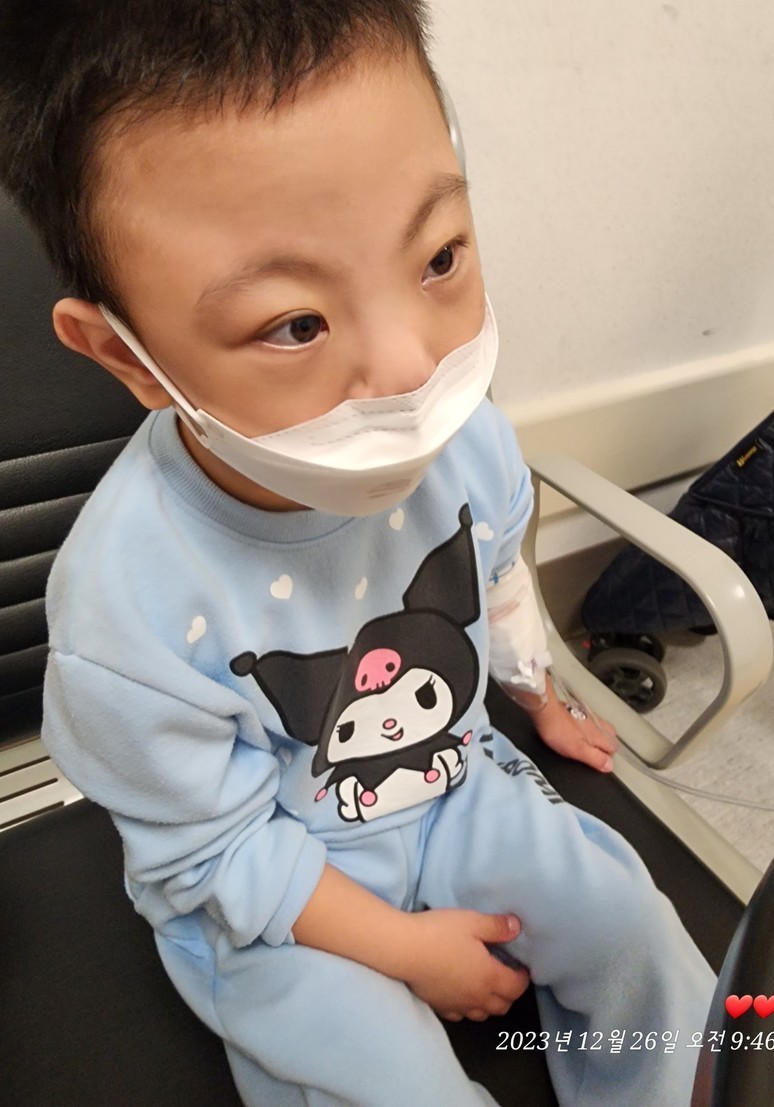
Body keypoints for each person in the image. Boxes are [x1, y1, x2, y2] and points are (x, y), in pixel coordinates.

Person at [0, 2, 715, 1104]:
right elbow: (210, 853)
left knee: (636, 937)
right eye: (296, 323)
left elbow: (495, 575)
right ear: (127, 357)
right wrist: (406, 950)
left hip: (451, 780)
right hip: (273, 883)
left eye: (438, 257)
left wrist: (539, 693)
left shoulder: (463, 437)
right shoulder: (125, 605)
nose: (410, 368)